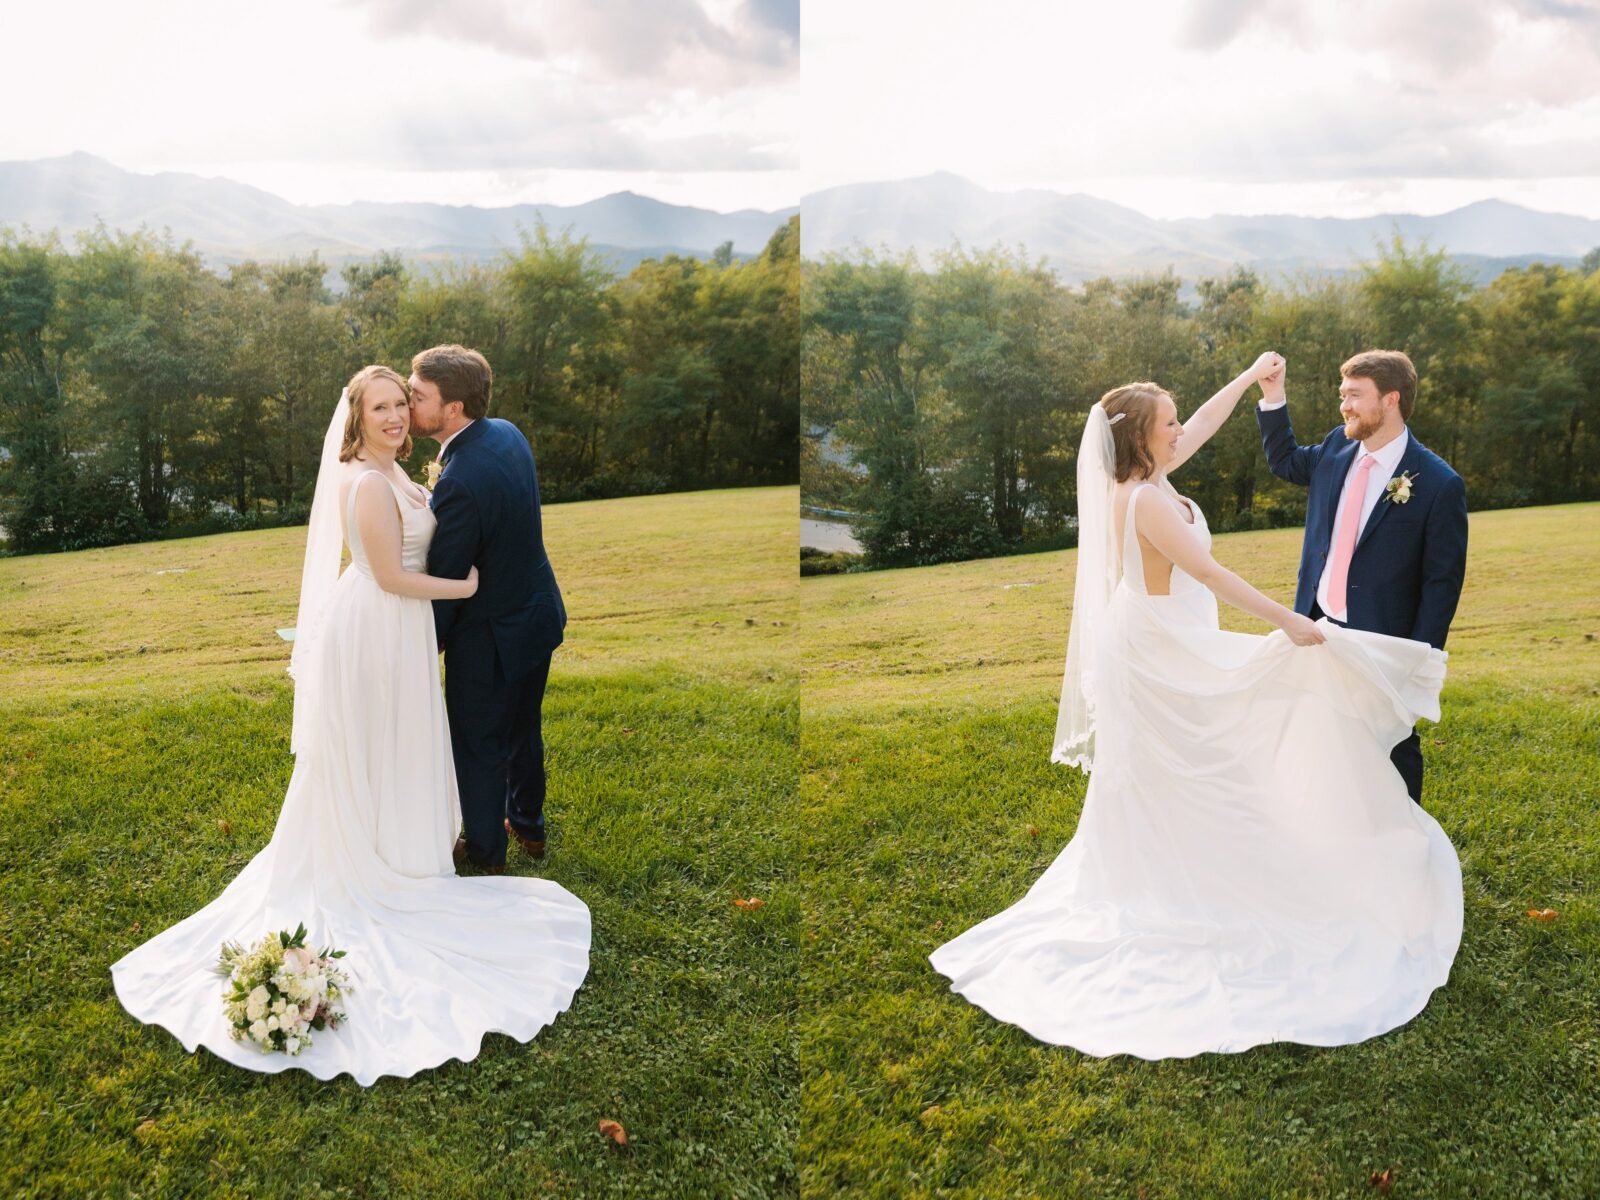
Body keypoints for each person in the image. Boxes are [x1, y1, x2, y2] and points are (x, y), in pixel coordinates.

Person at [930, 354, 1463, 1058]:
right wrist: (1288, 622)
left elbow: (1207, 422)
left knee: (1187, 770)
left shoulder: (1145, 476)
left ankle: (1200, 871)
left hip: (1163, 640)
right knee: (1196, 764)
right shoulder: (1146, 500)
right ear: (1143, 437)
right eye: (1170, 423)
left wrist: (1249, 381)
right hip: (1161, 652)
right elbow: (1208, 570)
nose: (1183, 430)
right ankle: (1188, 893)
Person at [111, 365, 590, 1084]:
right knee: (379, 746)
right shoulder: (367, 482)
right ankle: (387, 856)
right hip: (377, 628)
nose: (398, 415)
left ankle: (414, 842)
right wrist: (461, 587)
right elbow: (392, 577)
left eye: (404, 402)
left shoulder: (399, 471)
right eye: (383, 407)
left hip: (400, 631)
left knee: (401, 747)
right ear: (357, 419)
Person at [1257, 349, 1468, 802]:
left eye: (1354, 395)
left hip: (1384, 642)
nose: (1344, 405)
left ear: (1390, 400)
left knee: (1391, 749)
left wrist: (1419, 660)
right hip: (1318, 625)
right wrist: (1274, 396)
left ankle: (1405, 842)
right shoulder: (1337, 446)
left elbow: (1441, 584)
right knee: (1321, 740)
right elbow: (1285, 461)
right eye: (1343, 395)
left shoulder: (1438, 482)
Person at [406, 345, 567, 872]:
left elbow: (449, 579)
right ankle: (528, 826)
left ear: (453, 408)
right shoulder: (506, 433)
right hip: (536, 612)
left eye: (419, 394)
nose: (409, 401)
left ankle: (484, 852)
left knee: (478, 744)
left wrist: (425, 642)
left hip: (491, 637)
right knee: (523, 726)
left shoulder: (458, 482)